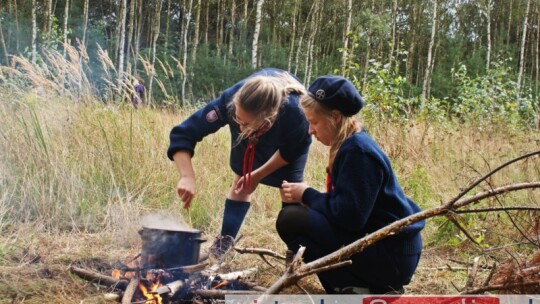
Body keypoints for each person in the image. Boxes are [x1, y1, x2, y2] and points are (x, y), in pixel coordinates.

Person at [278, 75, 425, 294]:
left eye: (314, 122)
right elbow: (347, 209)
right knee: (294, 215)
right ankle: (349, 286)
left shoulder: (358, 152)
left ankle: (358, 290)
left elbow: (349, 218)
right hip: (379, 246)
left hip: (391, 257)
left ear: (335, 117)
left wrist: (307, 195)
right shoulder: (350, 143)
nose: (310, 130)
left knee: (291, 219)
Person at [167, 68, 312, 258]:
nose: (239, 127)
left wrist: (258, 175)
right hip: (253, 124)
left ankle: (296, 252)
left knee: (290, 190)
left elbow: (290, 151)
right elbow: (184, 132)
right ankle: (224, 244)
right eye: (237, 119)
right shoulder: (231, 101)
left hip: (287, 137)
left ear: (267, 120)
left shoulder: (296, 113)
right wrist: (187, 176)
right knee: (241, 182)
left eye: (245, 124)